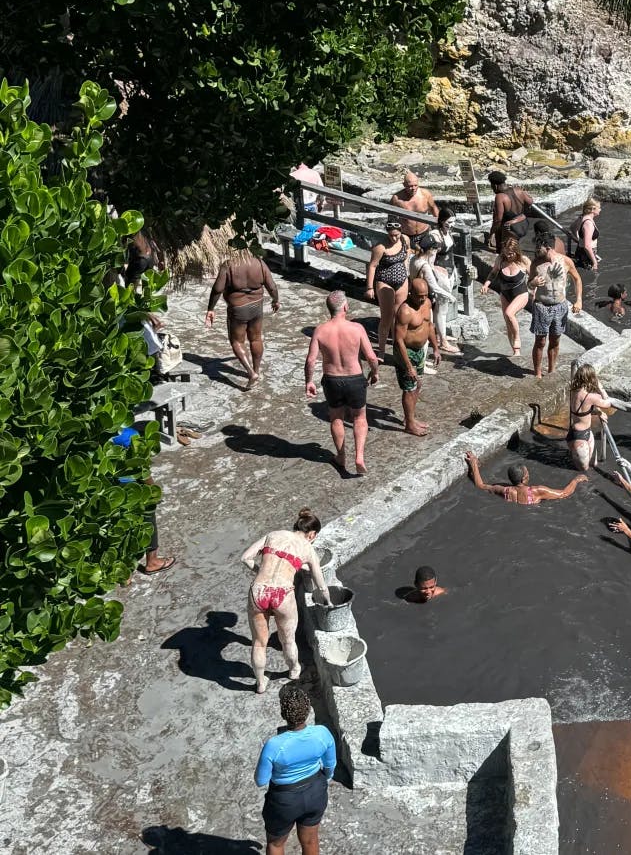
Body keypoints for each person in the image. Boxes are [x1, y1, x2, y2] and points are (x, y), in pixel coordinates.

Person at [240, 509, 331, 694]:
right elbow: (320, 584)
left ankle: (260, 683)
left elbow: (245, 558)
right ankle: (294, 670)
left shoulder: (273, 535)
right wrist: (328, 602)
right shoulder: (307, 548)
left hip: (259, 591)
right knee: (288, 640)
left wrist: (260, 571)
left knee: (258, 643)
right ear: (312, 534)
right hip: (283, 594)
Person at [255, 683, 337, 855]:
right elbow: (330, 767)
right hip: (316, 791)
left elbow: (261, 780)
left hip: (284, 799)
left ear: (283, 713)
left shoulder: (274, 745)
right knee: (310, 840)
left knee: (276, 844)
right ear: (307, 710)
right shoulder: (322, 733)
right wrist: (323, 781)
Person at [304, 291, 379, 475]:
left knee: (336, 417)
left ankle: (341, 456)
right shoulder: (357, 329)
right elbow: (371, 357)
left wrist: (309, 381)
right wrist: (374, 372)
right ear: (345, 307)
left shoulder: (320, 330)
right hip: (354, 378)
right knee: (359, 418)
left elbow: (310, 361)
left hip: (332, 379)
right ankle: (359, 457)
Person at [205, 247, 280, 386]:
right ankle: (256, 369)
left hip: (238, 309)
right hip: (257, 306)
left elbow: (217, 289)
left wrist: (211, 308)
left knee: (237, 342)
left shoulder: (228, 265)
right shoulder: (259, 263)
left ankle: (251, 373)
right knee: (256, 338)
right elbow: (272, 286)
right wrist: (275, 300)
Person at [113, 426, 176, 574]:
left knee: (119, 524)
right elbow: (142, 468)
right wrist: (152, 489)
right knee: (148, 516)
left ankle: (124, 574)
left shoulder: (100, 435)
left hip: (110, 486)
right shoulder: (130, 435)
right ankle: (152, 561)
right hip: (131, 484)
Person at [529, 232, 583, 377]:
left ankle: (551, 370)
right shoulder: (536, 264)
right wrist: (533, 283)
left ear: (547, 247)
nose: (535, 250)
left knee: (555, 340)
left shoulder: (566, 261)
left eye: (538, 247)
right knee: (540, 341)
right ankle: (538, 373)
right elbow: (528, 284)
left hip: (560, 306)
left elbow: (577, 279)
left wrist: (579, 300)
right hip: (542, 306)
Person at [393, 277, 440, 437]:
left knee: (417, 385)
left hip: (420, 351)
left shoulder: (426, 303)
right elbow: (398, 339)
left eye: (425, 295)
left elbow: (429, 326)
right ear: (411, 293)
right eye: (419, 295)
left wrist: (435, 348)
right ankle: (409, 424)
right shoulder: (405, 311)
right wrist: (408, 366)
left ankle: (410, 419)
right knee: (409, 388)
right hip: (406, 352)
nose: (422, 298)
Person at [567, 364, 631, 470]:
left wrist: (598, 412)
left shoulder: (573, 391)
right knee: (584, 469)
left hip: (575, 433)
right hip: (581, 437)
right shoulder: (591, 397)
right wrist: (600, 387)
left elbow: (581, 411)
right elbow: (608, 403)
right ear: (591, 378)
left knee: (592, 464)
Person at [464, 450, 588, 504]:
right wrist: (576, 480)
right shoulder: (537, 491)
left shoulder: (503, 490)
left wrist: (473, 463)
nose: (529, 474)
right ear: (523, 479)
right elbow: (563, 494)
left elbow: (480, 485)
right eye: (527, 473)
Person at [365, 221, 410, 360]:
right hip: (385, 281)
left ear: (400, 232)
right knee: (386, 318)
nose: (394, 238)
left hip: (402, 280)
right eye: (391, 235)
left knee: (399, 316)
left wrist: (406, 268)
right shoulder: (380, 247)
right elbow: (372, 266)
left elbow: (408, 251)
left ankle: (398, 348)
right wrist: (369, 287)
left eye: (396, 235)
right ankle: (382, 350)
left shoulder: (405, 240)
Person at [409, 239, 462, 356]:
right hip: (424, 298)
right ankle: (423, 360)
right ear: (429, 250)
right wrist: (450, 296)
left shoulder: (414, 258)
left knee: (426, 326)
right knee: (427, 327)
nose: (436, 252)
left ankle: (438, 340)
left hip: (414, 293)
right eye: (434, 249)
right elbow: (435, 287)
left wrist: (435, 269)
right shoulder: (424, 266)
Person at [480, 235, 531, 357]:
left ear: (517, 251)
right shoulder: (500, 260)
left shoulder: (524, 261)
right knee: (508, 322)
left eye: (512, 253)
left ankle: (518, 339)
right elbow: (493, 273)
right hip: (505, 294)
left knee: (509, 313)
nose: (509, 256)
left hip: (521, 293)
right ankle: (516, 352)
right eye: (507, 253)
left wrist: (535, 288)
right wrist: (486, 285)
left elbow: (534, 276)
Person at [487, 170, 534, 248]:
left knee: (505, 251)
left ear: (495, 185)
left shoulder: (500, 197)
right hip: (523, 226)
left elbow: (498, 220)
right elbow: (530, 202)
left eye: (492, 187)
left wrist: (491, 234)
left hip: (510, 230)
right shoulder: (519, 190)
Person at [390, 170, 439, 241]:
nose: (413, 188)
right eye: (410, 186)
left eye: (415, 185)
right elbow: (391, 218)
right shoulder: (397, 199)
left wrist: (439, 226)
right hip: (406, 235)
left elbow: (434, 208)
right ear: (404, 185)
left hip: (425, 233)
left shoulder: (425, 194)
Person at [568, 198, 602, 269]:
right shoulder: (588, 223)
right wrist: (594, 261)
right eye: (599, 208)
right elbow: (587, 246)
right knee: (589, 275)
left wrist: (579, 240)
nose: (600, 210)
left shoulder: (582, 217)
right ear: (593, 209)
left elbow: (572, 228)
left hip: (581, 251)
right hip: (586, 255)